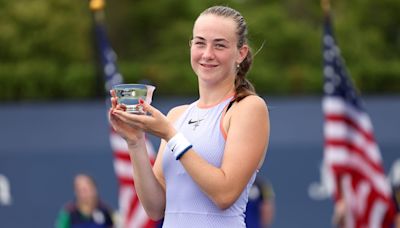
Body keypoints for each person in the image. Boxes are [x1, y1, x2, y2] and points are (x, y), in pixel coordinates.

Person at [109, 5, 270, 227]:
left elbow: (224, 195)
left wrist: (171, 135)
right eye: (200, 42)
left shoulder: (248, 108)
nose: (207, 54)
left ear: (240, 53)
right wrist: (135, 142)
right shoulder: (177, 115)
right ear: (191, 46)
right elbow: (155, 208)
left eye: (220, 45)